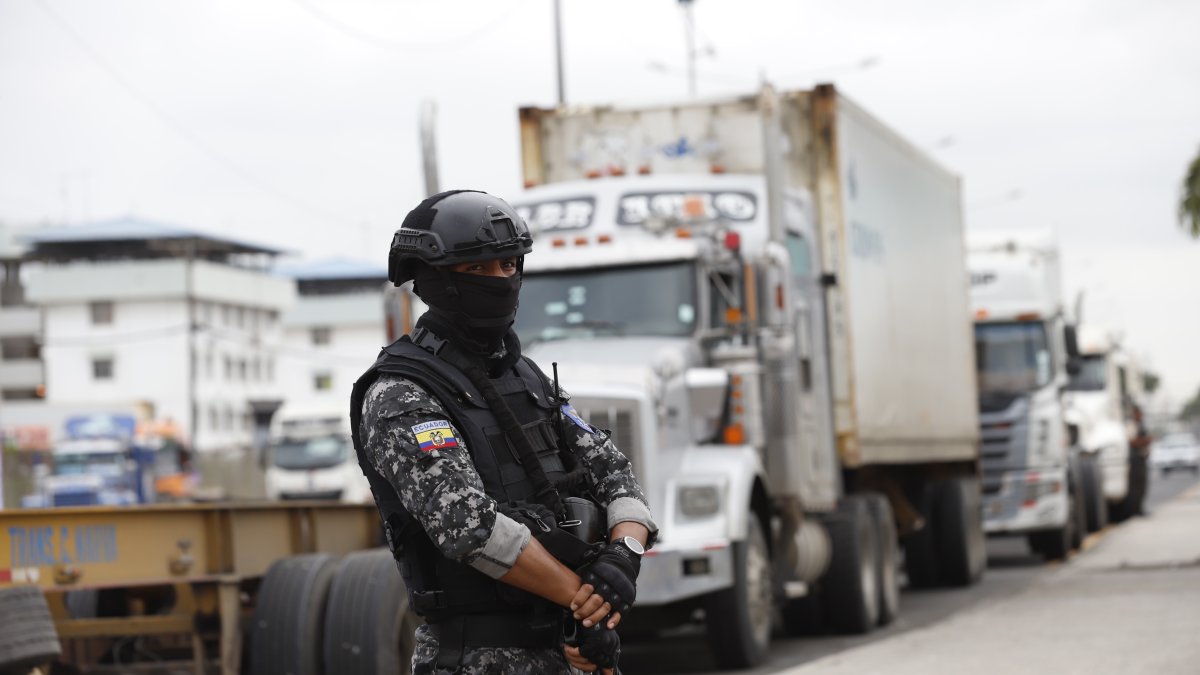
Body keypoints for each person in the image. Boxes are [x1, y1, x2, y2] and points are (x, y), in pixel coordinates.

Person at [350, 189, 657, 674]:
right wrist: (588, 603)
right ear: (436, 279)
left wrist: (624, 554)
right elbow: (468, 526)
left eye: (508, 265)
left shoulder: (526, 377)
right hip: (478, 658)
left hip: (570, 649)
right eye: (478, 268)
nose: (500, 279)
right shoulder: (401, 394)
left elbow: (615, 473)